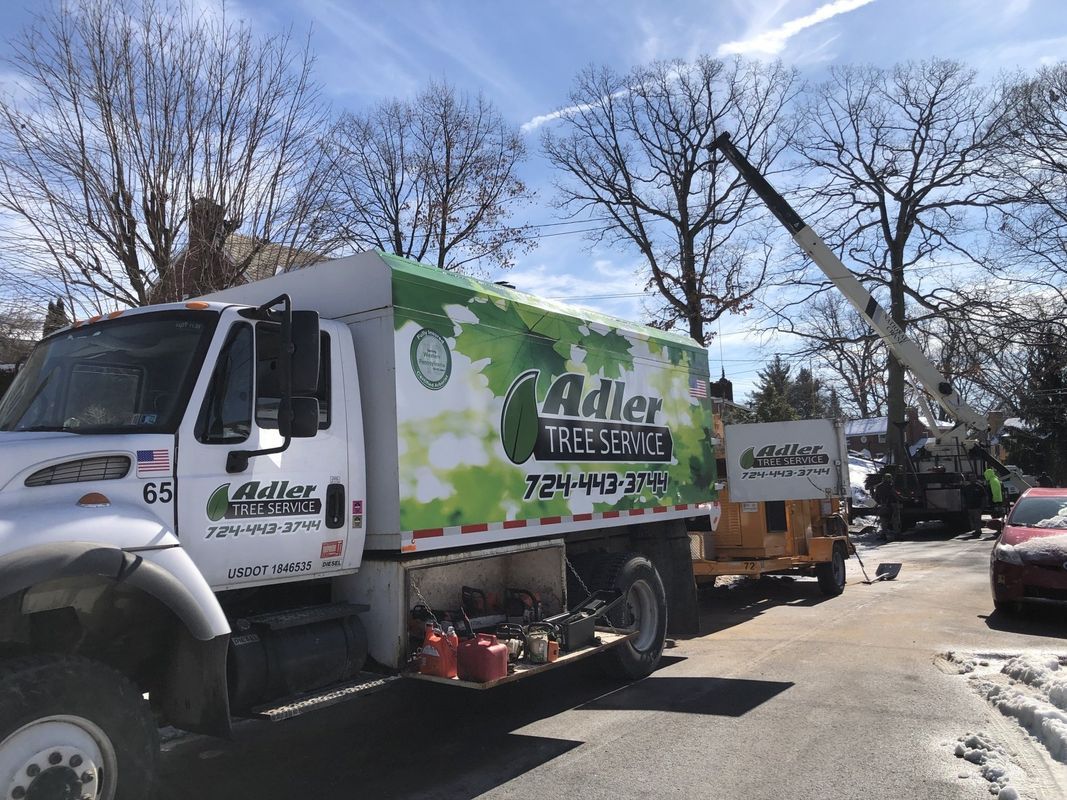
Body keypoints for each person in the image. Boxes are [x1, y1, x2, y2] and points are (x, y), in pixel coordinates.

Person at [873, 473, 902, 540]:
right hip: (893, 505)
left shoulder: (878, 487)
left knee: (884, 520)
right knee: (895, 520)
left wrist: (880, 503)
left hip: (883, 505)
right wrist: (903, 499)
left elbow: (876, 497)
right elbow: (896, 496)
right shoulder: (891, 486)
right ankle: (897, 535)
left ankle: (883, 535)